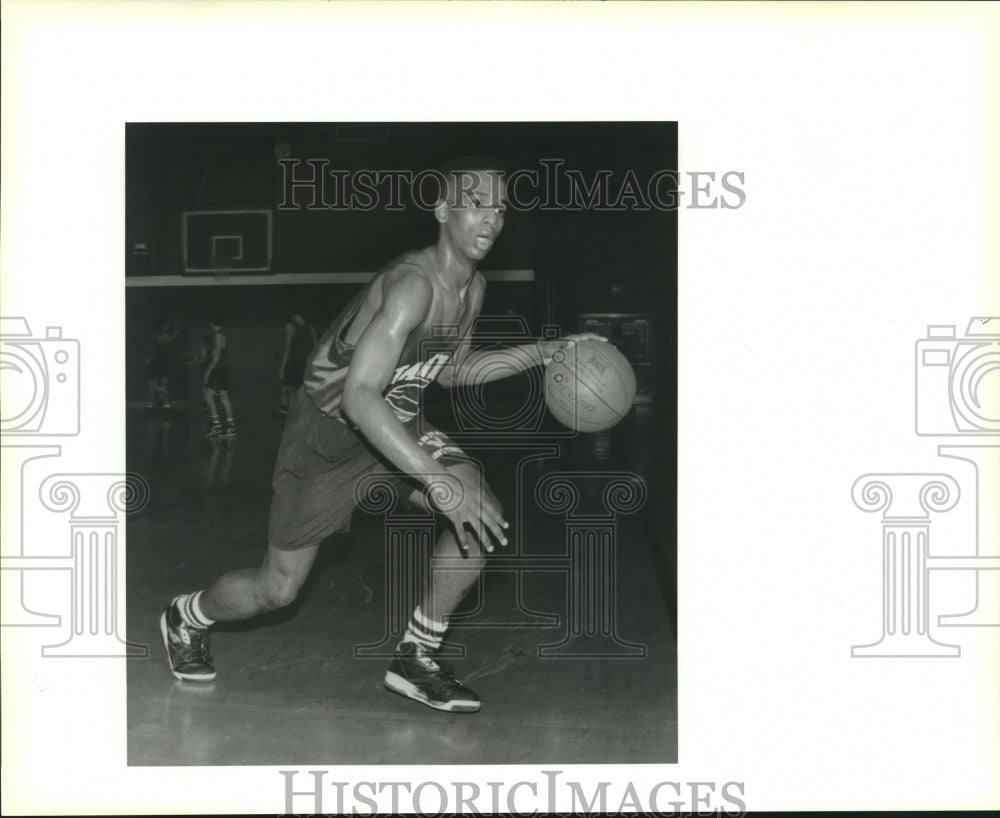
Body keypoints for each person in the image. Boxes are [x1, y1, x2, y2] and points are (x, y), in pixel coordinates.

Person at [160, 159, 604, 712]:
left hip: (394, 419)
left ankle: (416, 658)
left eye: (500, 208)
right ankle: (186, 616)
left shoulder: (474, 288)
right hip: (328, 435)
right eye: (476, 204)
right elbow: (357, 395)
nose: (491, 217)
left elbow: (452, 370)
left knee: (478, 512)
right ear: (444, 211)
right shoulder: (412, 285)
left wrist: (541, 352)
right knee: (276, 590)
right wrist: (437, 478)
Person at [277, 305, 317, 415]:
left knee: (290, 389)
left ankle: (291, 413)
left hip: (294, 362)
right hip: (306, 362)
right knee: (297, 388)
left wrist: (282, 367)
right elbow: (315, 346)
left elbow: (288, 346)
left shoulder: (290, 326)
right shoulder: (310, 327)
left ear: (294, 315)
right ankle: (288, 409)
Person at [202, 313, 236, 438]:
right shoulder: (221, 335)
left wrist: (208, 371)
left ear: (212, 324)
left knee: (216, 396)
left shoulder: (218, 336)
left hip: (219, 370)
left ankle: (224, 427)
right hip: (223, 370)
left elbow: (217, 357)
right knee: (212, 395)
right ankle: (224, 427)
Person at [145, 318, 180, 410]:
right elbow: (172, 338)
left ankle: (151, 404)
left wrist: (149, 358)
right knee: (163, 384)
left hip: (155, 361)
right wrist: (177, 327)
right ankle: (165, 403)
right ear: (163, 326)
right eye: (167, 325)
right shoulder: (166, 336)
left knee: (153, 384)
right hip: (162, 361)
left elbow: (150, 350)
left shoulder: (153, 336)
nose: (168, 327)